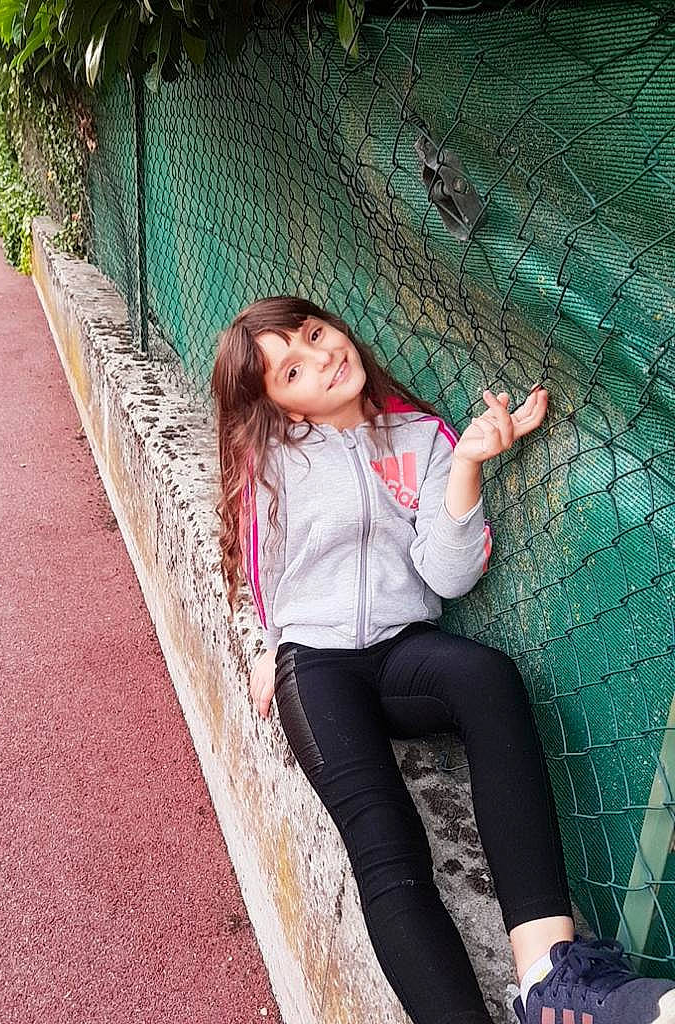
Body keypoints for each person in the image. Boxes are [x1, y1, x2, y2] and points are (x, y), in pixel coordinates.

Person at [210, 295, 675, 1024]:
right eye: (292, 368)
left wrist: (465, 463)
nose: (323, 357)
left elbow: (448, 577)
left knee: (486, 676)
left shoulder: (421, 437)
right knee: (386, 841)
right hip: (318, 666)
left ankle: (551, 979)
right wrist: (270, 648)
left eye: (315, 333)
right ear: (279, 403)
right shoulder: (268, 460)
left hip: (401, 652)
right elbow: (253, 569)